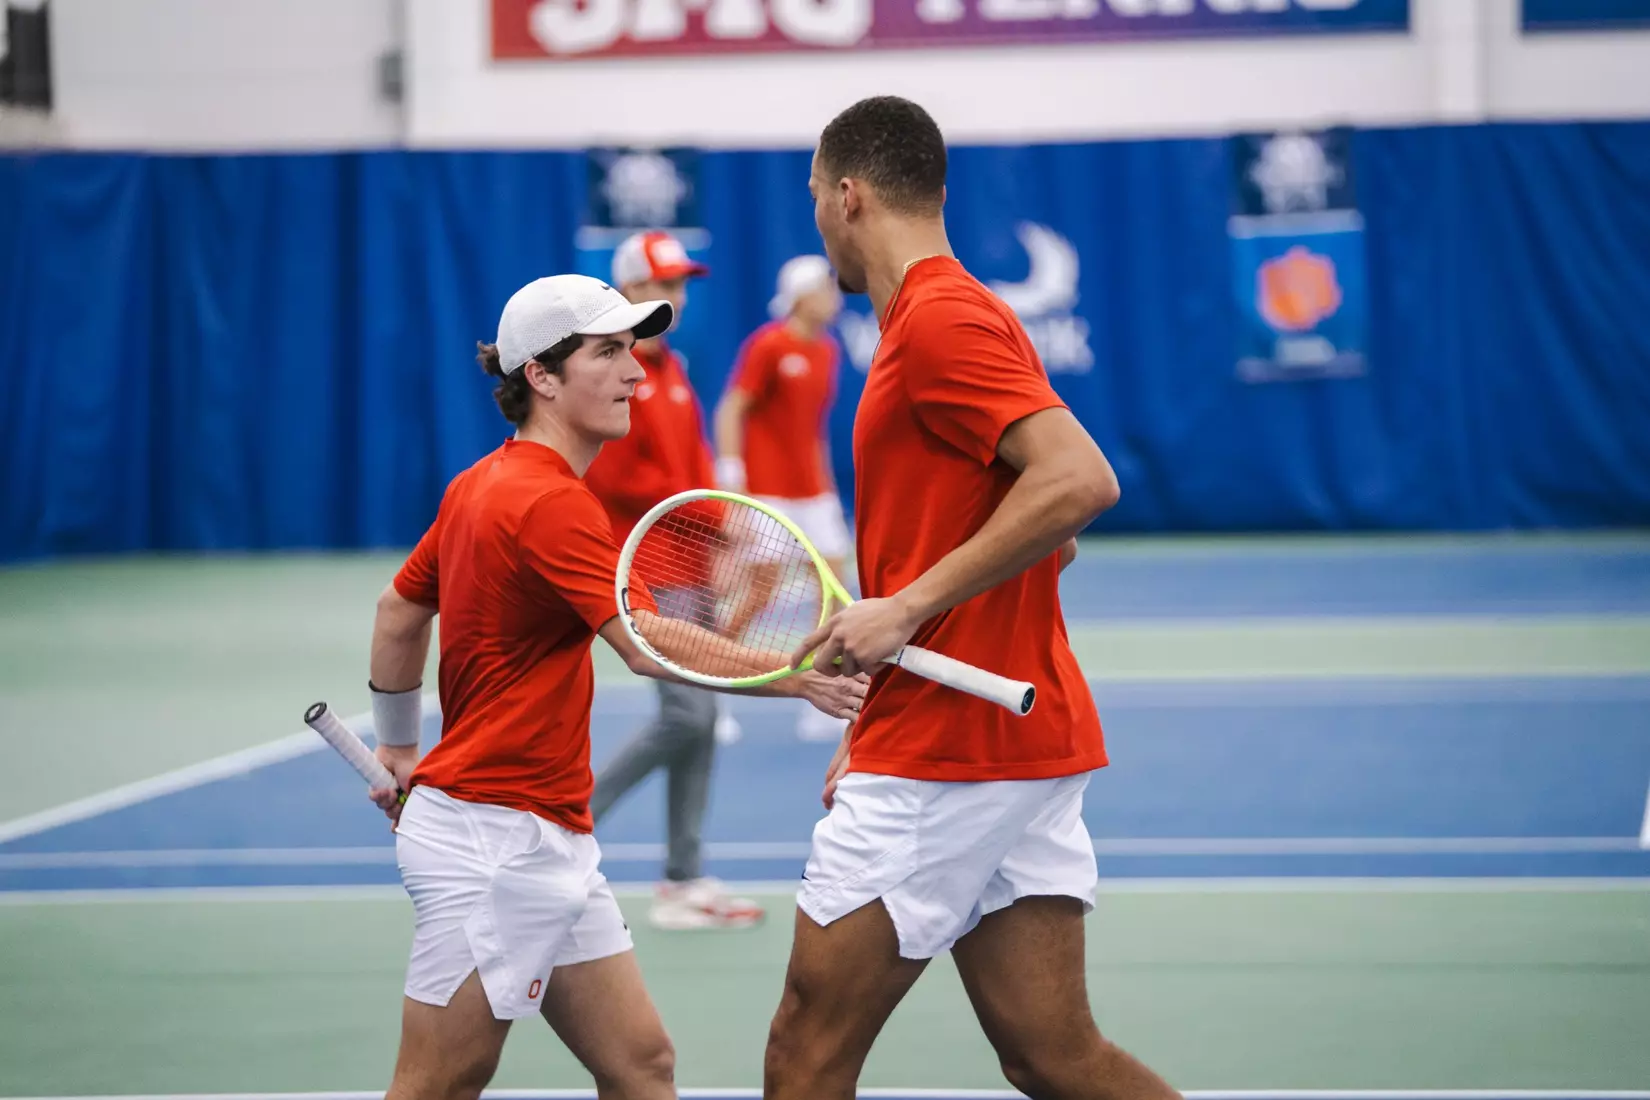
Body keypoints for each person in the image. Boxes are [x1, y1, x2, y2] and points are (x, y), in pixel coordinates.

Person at [763, 96, 1182, 1100]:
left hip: (950, 756)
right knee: (1054, 1054)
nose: (818, 219)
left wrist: (903, 608)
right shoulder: (957, 312)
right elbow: (1051, 534)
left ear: (850, 195)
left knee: (804, 1054)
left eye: (818, 197)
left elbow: (1078, 482)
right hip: (1007, 735)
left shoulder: (941, 321)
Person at [365, 274, 865, 1100]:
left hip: (544, 832)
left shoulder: (479, 485)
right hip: (496, 846)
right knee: (436, 1086)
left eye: (632, 348)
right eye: (608, 352)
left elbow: (397, 609)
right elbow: (641, 640)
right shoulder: (548, 501)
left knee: (640, 1065)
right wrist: (796, 674)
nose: (636, 372)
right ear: (541, 376)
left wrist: (398, 745)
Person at [582, 230, 763, 930]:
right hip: (647, 575)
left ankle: (683, 878)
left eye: (681, 286)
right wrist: (723, 524)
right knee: (689, 715)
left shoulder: (673, 368)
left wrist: (723, 532)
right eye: (661, 286)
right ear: (626, 293)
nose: (675, 298)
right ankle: (569, 825)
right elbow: (630, 479)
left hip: (691, 571)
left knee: (701, 718)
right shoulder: (615, 373)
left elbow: (692, 470)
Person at [713, 254, 851, 740]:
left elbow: (814, 430)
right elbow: (732, 409)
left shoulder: (828, 351)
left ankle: (825, 693)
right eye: (825, 289)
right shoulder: (768, 345)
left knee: (835, 589)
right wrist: (734, 481)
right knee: (761, 591)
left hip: (814, 493)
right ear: (801, 297)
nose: (834, 298)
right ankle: (712, 682)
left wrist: (827, 486)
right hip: (767, 491)